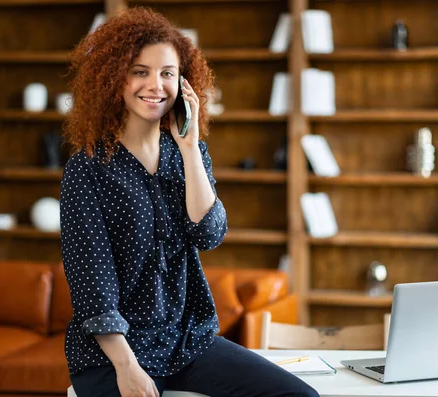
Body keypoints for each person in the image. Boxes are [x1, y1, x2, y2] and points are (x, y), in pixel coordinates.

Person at [60, 6, 319, 397]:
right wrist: (127, 368)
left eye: (167, 73)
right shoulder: (88, 169)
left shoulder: (188, 154)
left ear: (183, 83)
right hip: (113, 356)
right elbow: (91, 285)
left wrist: (190, 147)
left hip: (186, 343)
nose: (155, 85)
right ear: (116, 79)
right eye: (140, 71)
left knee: (299, 395)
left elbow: (210, 233)